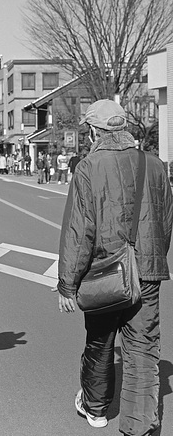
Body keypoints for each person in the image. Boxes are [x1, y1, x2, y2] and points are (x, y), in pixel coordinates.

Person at [57, 99, 173, 435]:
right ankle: (138, 428)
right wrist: (150, 260)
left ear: (94, 131)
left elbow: (80, 230)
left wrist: (68, 284)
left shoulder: (89, 167)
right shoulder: (154, 164)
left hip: (105, 271)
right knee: (143, 348)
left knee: (100, 339)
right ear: (123, 129)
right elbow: (165, 222)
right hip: (148, 271)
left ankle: (95, 408)